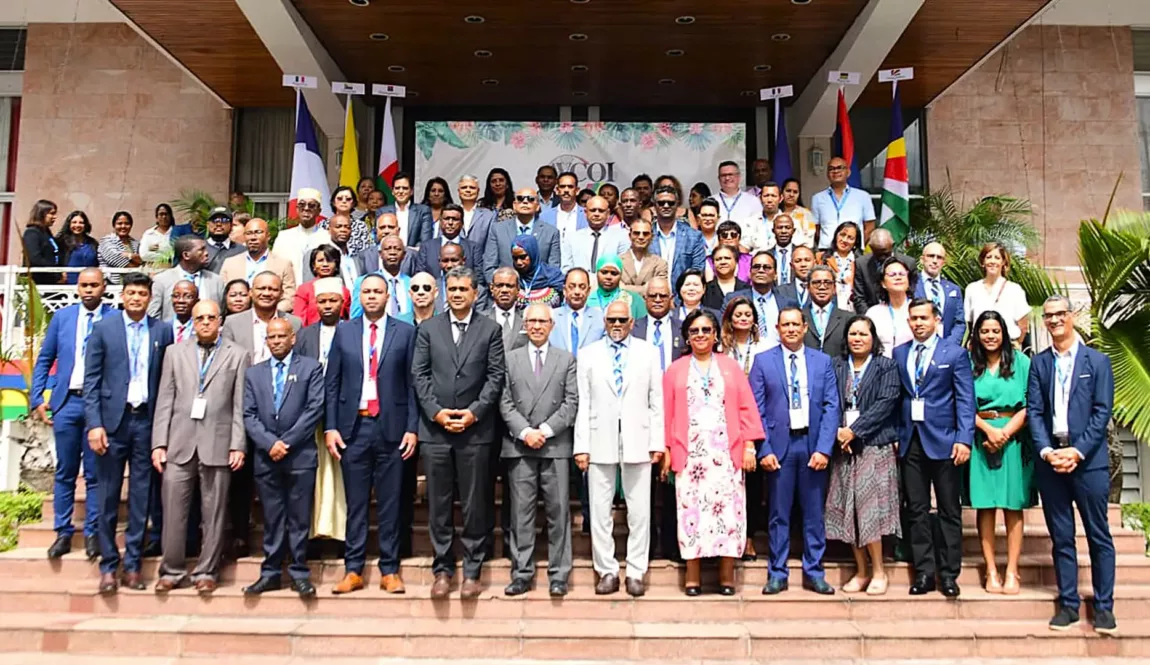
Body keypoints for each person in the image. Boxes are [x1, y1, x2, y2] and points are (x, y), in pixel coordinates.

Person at [412, 267, 505, 599]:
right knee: (438, 504)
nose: (457, 294)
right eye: (451, 289)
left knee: (474, 504)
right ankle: (442, 569)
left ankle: (472, 569)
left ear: (475, 293)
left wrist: (473, 413)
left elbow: (496, 377)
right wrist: (436, 413)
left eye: (463, 289)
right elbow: (419, 375)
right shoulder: (429, 328)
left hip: (474, 431)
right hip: (436, 431)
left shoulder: (490, 329)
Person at [324, 274, 420, 594]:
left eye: (378, 291)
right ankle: (353, 569)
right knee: (356, 503)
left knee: (391, 503)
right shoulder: (345, 331)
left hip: (392, 429)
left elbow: (413, 385)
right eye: (366, 291)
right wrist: (330, 426)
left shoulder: (405, 332)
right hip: (354, 428)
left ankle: (390, 569)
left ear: (388, 296)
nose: (372, 296)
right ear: (358, 296)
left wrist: (411, 428)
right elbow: (332, 382)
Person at [1028, 296, 1117, 633]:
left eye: (1060, 314)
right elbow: (1035, 412)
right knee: (1062, 536)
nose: (1054, 321)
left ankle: (1104, 606)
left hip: (1087, 462)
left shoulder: (1097, 361)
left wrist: (1077, 452)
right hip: (1052, 462)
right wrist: (1048, 451)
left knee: (1098, 535)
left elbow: (1101, 412)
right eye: (1048, 316)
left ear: (1072, 316)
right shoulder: (1039, 363)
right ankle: (1068, 605)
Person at [662, 309, 763, 595]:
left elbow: (746, 409)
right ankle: (692, 577)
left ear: (716, 334)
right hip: (690, 455)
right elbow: (666, 414)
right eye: (694, 331)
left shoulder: (730, 367)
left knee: (728, 516)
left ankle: (726, 577)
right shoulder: (675, 370)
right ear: (687, 337)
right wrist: (667, 451)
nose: (701, 335)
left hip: (726, 454)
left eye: (706, 330)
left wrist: (750, 446)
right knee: (691, 513)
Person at [84, 273, 174, 594]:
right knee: (108, 496)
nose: (136, 298)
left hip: (146, 422)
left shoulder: (162, 331)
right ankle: (109, 565)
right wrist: (94, 424)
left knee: (141, 497)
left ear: (150, 298)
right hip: (112, 424)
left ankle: (133, 564)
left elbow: (167, 381)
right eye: (131, 293)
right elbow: (91, 382)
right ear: (122, 296)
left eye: (142, 293)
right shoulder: (104, 329)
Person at [151, 300, 248, 594]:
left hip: (218, 443)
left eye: (211, 317)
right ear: (192, 321)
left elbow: (240, 404)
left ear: (220, 321)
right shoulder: (175, 353)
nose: (205, 322)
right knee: (173, 511)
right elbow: (165, 400)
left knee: (215, 512)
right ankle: (171, 570)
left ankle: (207, 570)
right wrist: (159, 442)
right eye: (200, 318)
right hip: (179, 443)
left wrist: (238, 444)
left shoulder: (238, 355)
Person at [575, 302, 664, 597]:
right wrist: (581, 446)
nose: (616, 324)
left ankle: (636, 571)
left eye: (622, 320)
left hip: (638, 439)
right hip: (600, 438)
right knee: (600, 511)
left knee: (639, 510)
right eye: (611, 319)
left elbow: (656, 402)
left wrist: (656, 441)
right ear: (604, 320)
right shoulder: (588, 355)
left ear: (630, 322)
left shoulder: (648, 352)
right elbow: (583, 403)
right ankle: (607, 570)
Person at [749, 306, 839, 595]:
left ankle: (815, 571)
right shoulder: (763, 362)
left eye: (795, 324)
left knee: (814, 514)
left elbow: (831, 406)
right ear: (777, 328)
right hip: (780, 447)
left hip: (811, 445)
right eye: (785, 324)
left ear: (804, 328)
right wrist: (764, 449)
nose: (790, 329)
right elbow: (756, 408)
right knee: (778, 514)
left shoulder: (822, 361)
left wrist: (825, 449)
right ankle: (777, 572)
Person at [894, 298, 976, 598]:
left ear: (936, 320)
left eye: (923, 318)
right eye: (913, 318)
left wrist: (964, 439)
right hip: (910, 441)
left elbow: (966, 400)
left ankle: (949, 573)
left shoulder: (954, 354)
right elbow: (898, 398)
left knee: (949, 510)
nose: (918, 323)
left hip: (945, 441)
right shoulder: (899, 353)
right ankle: (924, 572)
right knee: (915, 509)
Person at [237, 317, 324, 598]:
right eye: (271, 337)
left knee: (299, 518)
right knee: (272, 518)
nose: (276, 341)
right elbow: (248, 414)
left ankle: (299, 572)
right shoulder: (254, 373)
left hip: (299, 456)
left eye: (281, 336)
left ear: (293, 338)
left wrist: (285, 442)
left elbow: (314, 409)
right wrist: (269, 443)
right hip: (266, 457)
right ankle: (271, 572)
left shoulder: (311, 368)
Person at [32, 268, 115, 560]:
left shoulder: (114, 318)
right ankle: (62, 532)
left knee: (95, 473)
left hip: (99, 407)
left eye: (94, 285)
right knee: (65, 471)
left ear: (104, 287)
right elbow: (45, 358)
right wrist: (36, 398)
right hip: (67, 403)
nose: (89, 290)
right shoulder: (63, 318)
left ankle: (92, 533)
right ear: (77, 288)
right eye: (84, 285)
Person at [498, 304, 579, 597]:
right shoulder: (509, 359)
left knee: (559, 513)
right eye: (531, 321)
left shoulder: (566, 360)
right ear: (524, 325)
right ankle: (521, 573)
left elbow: (571, 403)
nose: (536, 326)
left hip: (554, 446)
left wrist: (544, 431)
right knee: (521, 514)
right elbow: (504, 401)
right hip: (520, 446)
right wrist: (525, 432)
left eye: (542, 321)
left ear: (552, 325)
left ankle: (559, 575)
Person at [221, 272, 302, 554]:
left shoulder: (294, 323)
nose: (267, 293)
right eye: (262, 288)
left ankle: (287, 542)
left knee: (282, 478)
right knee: (240, 473)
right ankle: (241, 533)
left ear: (281, 293)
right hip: (244, 402)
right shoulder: (232, 323)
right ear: (252, 291)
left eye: (273, 289)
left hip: (282, 407)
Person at [825, 315, 902, 595]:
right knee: (850, 509)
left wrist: (854, 431)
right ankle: (860, 570)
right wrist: (838, 432)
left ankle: (879, 571)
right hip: (842, 449)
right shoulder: (835, 366)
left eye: (863, 334)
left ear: (874, 339)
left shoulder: (886, 367)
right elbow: (828, 401)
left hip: (873, 445)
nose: (857, 339)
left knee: (870, 509)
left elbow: (885, 404)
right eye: (853, 334)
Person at [968, 310, 1033, 595]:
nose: (990, 336)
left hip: (1013, 436)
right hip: (980, 435)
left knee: (1011, 504)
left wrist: (1004, 433)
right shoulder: (968, 362)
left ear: (1004, 333)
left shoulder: (1021, 362)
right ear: (977, 334)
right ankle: (991, 570)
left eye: (995, 331)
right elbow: (960, 402)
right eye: (984, 331)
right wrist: (988, 430)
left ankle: (1012, 570)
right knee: (985, 504)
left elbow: (1031, 404)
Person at [293, 278, 348, 555]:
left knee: (338, 479)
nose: (327, 306)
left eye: (333, 300)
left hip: (343, 418)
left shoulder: (352, 331)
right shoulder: (304, 335)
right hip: (310, 417)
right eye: (322, 301)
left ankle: (339, 535)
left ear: (343, 302)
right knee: (314, 477)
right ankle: (313, 534)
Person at [718, 296, 773, 559]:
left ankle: (750, 536)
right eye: (737, 314)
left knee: (754, 482)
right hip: (725, 421)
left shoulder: (766, 347)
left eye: (747, 314)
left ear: (754, 319)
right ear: (729, 318)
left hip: (759, 417)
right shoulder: (720, 349)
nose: (742, 318)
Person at [485, 187, 561, 284]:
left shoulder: (551, 232)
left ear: (538, 206)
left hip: (538, 292)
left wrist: (537, 291)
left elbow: (553, 269)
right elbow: (489, 266)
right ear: (514, 205)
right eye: (520, 198)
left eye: (530, 199)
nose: (525, 202)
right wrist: (500, 287)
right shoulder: (497, 229)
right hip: (505, 292)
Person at [221, 218, 297, 312]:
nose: (253, 237)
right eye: (249, 233)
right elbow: (222, 295)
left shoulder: (283, 265)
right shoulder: (230, 264)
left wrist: (268, 314)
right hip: (236, 318)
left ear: (268, 236)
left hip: (271, 319)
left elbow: (289, 298)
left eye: (258, 232)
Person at [726, 252, 799, 348]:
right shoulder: (733, 299)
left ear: (775, 274)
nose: (761, 270)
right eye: (756, 267)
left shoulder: (788, 303)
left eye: (767, 267)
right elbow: (725, 330)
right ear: (750, 273)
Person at [964, 242, 1030, 345]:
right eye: (989, 257)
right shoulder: (972, 289)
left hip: (1008, 346)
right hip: (979, 348)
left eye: (997, 258)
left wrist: (1016, 344)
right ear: (983, 262)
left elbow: (1024, 326)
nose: (992, 261)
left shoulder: (1015, 290)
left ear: (1003, 262)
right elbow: (970, 322)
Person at [149, 235, 225, 320]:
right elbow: (153, 316)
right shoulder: (161, 280)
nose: (207, 253)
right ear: (186, 255)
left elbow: (221, 313)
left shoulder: (216, 281)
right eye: (201, 250)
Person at [810, 156, 876, 250]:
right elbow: (816, 228)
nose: (835, 171)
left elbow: (869, 227)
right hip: (827, 251)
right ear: (827, 174)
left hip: (854, 251)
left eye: (839, 168)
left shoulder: (863, 196)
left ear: (848, 172)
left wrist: (856, 244)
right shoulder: (817, 198)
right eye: (831, 169)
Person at [650, 185, 706, 290]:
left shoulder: (694, 236)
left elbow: (697, 272)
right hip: (651, 299)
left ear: (677, 205)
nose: (666, 206)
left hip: (683, 300)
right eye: (661, 203)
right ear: (654, 206)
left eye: (671, 203)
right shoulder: (645, 235)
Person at [273, 188, 331, 285]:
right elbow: (275, 267)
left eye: (312, 205)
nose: (306, 208)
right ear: (297, 209)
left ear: (319, 211)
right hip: (289, 293)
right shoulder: (284, 237)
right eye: (302, 205)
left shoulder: (327, 237)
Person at [561, 195, 628, 275]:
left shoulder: (621, 236)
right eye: (593, 210)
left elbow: (623, 268)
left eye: (601, 211)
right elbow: (566, 268)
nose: (596, 214)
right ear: (585, 213)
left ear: (608, 213)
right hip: (579, 285)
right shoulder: (572, 238)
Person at [852, 228, 914, 314]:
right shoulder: (861, 264)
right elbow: (859, 298)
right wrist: (871, 320)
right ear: (871, 247)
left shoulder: (908, 263)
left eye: (885, 253)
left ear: (892, 245)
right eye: (878, 253)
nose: (882, 258)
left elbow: (913, 293)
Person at [865, 256, 917, 358]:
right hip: (881, 368)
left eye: (902, 274)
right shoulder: (874, 313)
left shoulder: (918, 309)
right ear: (883, 283)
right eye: (892, 274)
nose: (898, 277)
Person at [916, 242, 965, 346]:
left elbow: (959, 322)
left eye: (939, 257)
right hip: (917, 346)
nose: (935, 261)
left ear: (943, 262)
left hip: (946, 347)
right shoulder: (911, 285)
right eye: (931, 256)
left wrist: (948, 346)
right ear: (922, 259)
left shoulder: (954, 289)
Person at [350, 235, 411, 319]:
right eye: (387, 249)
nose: (392, 252)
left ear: (404, 255)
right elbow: (355, 317)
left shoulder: (412, 283)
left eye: (397, 249)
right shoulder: (364, 282)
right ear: (380, 254)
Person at [549, 268, 604, 359]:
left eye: (582, 287)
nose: (577, 292)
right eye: (572, 286)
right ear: (564, 290)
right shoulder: (551, 317)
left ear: (588, 291)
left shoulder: (600, 318)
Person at [416, 204, 481, 278]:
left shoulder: (473, 248)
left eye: (455, 219)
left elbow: (479, 279)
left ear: (462, 223)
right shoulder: (426, 247)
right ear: (440, 222)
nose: (450, 223)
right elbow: (420, 276)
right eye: (446, 219)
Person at [293, 245, 352, 326]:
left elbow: (348, 318)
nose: (325, 264)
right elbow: (299, 320)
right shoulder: (304, 290)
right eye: (320, 260)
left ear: (336, 264)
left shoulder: (344, 291)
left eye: (329, 260)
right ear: (313, 265)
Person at [803, 265, 853, 358]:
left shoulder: (849, 318)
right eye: (816, 283)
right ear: (808, 288)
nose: (822, 287)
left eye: (827, 283)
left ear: (834, 288)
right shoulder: (799, 317)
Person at [509, 234, 566, 310]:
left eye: (523, 257)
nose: (519, 262)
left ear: (533, 254)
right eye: (515, 258)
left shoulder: (553, 276)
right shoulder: (510, 278)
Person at [379, 172, 434, 248]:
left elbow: (425, 241)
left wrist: (407, 252)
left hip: (415, 257)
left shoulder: (423, 211)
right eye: (397, 188)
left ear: (411, 191)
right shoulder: (382, 211)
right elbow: (379, 239)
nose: (401, 191)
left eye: (405, 188)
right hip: (388, 255)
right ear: (392, 191)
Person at [587, 255, 646, 320]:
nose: (608, 277)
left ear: (620, 276)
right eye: (604, 272)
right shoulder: (586, 301)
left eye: (614, 273)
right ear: (597, 273)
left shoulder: (634, 300)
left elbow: (643, 325)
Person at [620, 219, 668, 298]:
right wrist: (645, 289)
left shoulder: (660, 264)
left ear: (651, 237)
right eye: (636, 233)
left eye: (645, 234)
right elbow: (615, 289)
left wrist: (625, 288)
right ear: (629, 236)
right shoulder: (617, 262)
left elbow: (657, 289)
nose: (641, 237)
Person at [307, 214, 360, 286]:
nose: (343, 230)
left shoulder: (356, 256)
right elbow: (309, 285)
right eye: (338, 227)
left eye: (347, 227)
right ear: (329, 230)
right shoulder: (318, 254)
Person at [487, 267, 528, 351]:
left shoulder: (527, 319)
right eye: (499, 285)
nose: (504, 290)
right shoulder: (481, 320)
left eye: (509, 286)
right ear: (492, 288)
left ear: (518, 289)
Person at [822, 222, 859, 310]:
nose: (845, 240)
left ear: (856, 242)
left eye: (850, 238)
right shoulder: (822, 258)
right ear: (836, 236)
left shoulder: (860, 262)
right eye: (842, 235)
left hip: (852, 308)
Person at [539, 172, 587, 240]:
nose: (566, 190)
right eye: (562, 186)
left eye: (570, 187)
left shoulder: (587, 215)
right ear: (557, 190)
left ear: (577, 190)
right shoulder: (544, 217)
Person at [328, 186, 376, 256]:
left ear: (353, 203)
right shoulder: (324, 224)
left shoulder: (361, 226)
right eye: (340, 199)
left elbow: (368, 250)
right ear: (333, 202)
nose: (344, 201)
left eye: (348, 199)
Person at [98, 211, 143, 284]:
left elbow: (142, 260)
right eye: (119, 223)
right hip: (111, 285)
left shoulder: (135, 243)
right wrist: (136, 263)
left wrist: (129, 255)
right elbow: (116, 260)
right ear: (114, 225)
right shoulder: (106, 241)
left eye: (127, 223)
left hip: (131, 284)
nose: (123, 226)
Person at [714, 161, 762, 227]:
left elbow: (758, 226)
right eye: (723, 175)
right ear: (719, 178)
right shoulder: (711, 201)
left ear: (738, 177)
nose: (727, 178)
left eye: (730, 174)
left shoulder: (753, 201)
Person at [56, 210, 99, 283]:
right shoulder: (61, 242)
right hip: (68, 285)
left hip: (89, 283)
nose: (77, 225)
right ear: (69, 224)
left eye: (81, 223)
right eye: (74, 222)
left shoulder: (92, 243)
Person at [24, 199, 61, 284]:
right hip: (37, 281)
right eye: (52, 213)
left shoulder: (46, 232)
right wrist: (55, 273)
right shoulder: (32, 232)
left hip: (50, 280)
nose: (54, 217)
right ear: (41, 214)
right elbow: (35, 258)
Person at [702, 244, 748, 311]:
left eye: (727, 258)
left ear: (736, 261)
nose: (723, 262)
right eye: (718, 259)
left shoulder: (747, 288)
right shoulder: (705, 290)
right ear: (713, 263)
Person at [458, 174, 497, 251]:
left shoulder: (489, 215)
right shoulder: (449, 213)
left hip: (480, 261)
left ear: (478, 191)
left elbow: (491, 245)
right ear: (459, 191)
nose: (468, 190)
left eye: (472, 188)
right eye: (464, 187)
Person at [205, 207, 245, 274]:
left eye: (224, 220)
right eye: (215, 220)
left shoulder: (242, 251)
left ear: (231, 225)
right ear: (208, 225)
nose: (219, 224)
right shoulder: (198, 249)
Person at [781, 178, 817, 246]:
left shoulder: (806, 213)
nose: (791, 194)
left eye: (795, 192)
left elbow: (809, 238)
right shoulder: (776, 213)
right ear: (782, 192)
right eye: (788, 191)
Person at [769, 214, 800, 284]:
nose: (783, 231)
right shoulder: (766, 255)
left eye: (788, 227)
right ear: (773, 231)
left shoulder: (801, 254)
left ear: (793, 231)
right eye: (779, 227)